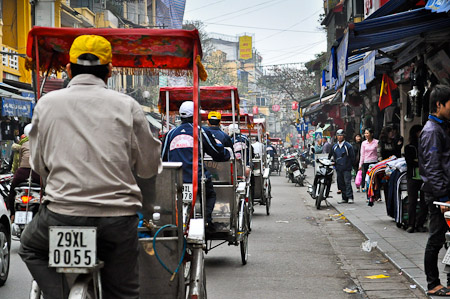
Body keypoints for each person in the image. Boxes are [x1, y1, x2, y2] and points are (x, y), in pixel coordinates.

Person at [19, 35, 163, 299]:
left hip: (62, 215)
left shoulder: (47, 104)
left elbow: (39, 164)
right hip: (117, 221)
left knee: (29, 247)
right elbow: (148, 166)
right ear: (110, 71)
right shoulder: (127, 105)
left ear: (69, 69)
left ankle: (60, 295)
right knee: (123, 293)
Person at [162, 101, 230, 229]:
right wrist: (226, 153)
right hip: (196, 178)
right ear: (195, 115)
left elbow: (163, 157)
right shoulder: (200, 132)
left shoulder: (170, 134)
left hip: (175, 179)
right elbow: (216, 152)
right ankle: (207, 222)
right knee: (210, 195)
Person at [419, 85, 450, 296]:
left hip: (442, 194)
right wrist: (443, 198)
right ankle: (433, 284)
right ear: (439, 105)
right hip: (438, 195)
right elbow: (432, 167)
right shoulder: (432, 131)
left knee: (445, 239)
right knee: (437, 239)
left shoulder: (441, 127)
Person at [6, 124, 40, 222]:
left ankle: (12, 214)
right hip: (37, 172)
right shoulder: (41, 143)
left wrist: (16, 172)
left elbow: (19, 161)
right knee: (46, 191)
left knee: (12, 191)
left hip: (22, 172)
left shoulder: (22, 144)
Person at [404, 124, 427, 233]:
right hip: (412, 177)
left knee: (424, 202)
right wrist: (418, 162)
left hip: (424, 178)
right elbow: (410, 162)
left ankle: (420, 224)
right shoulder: (409, 147)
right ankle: (411, 224)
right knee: (412, 201)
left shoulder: (426, 145)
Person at [328, 129, 355, 204]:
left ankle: (350, 197)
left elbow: (352, 157)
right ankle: (344, 197)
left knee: (347, 182)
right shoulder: (335, 147)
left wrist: (352, 166)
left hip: (347, 167)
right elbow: (331, 156)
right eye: (338, 135)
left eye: (341, 135)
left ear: (344, 136)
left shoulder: (348, 146)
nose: (340, 137)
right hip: (338, 167)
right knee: (341, 183)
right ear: (336, 136)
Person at [359, 128, 378, 192]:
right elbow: (362, 154)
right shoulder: (364, 143)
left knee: (375, 179)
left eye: (367, 133)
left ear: (371, 134)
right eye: (365, 133)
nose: (366, 135)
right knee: (367, 179)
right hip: (366, 162)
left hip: (374, 162)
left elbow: (379, 153)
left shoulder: (376, 142)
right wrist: (360, 164)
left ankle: (377, 194)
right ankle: (368, 193)